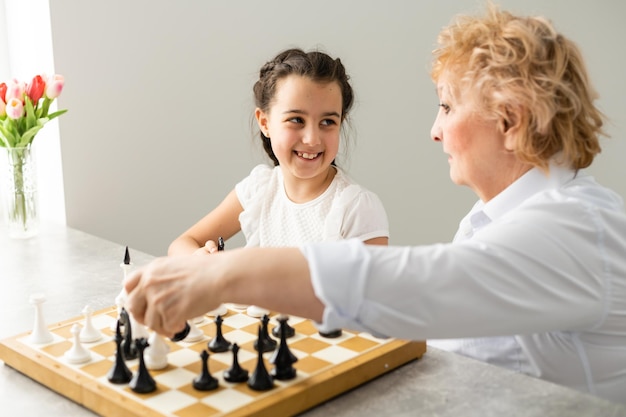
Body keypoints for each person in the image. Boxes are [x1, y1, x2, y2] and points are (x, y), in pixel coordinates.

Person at [125, 4, 626, 404]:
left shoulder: (574, 228)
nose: (435, 130)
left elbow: (414, 284)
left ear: (510, 121)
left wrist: (223, 275)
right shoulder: (502, 218)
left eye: (447, 106)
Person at [167, 47, 388, 258]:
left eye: (328, 121)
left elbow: (372, 294)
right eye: (296, 120)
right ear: (265, 122)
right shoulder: (260, 189)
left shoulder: (356, 208)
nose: (312, 139)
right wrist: (201, 258)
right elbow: (181, 244)